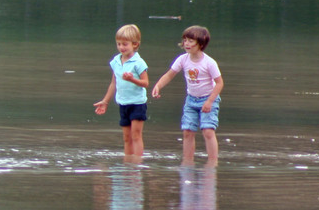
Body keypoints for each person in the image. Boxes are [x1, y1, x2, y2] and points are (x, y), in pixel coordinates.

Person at [151, 25, 224, 165]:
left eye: (191, 41)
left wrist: (209, 101)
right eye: (185, 40)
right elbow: (169, 74)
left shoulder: (209, 62)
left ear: (201, 44)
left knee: (208, 130)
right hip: (191, 99)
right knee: (187, 131)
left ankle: (212, 163)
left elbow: (219, 83)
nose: (186, 44)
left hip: (209, 98)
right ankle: (187, 162)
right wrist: (158, 86)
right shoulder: (183, 59)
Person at [94, 24, 149, 161]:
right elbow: (114, 83)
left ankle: (137, 163)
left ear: (135, 44)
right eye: (118, 44)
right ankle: (128, 162)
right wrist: (105, 101)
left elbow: (145, 83)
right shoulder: (116, 61)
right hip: (123, 103)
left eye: (125, 44)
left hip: (137, 103)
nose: (121, 47)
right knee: (126, 137)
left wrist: (132, 79)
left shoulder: (139, 63)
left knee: (136, 135)